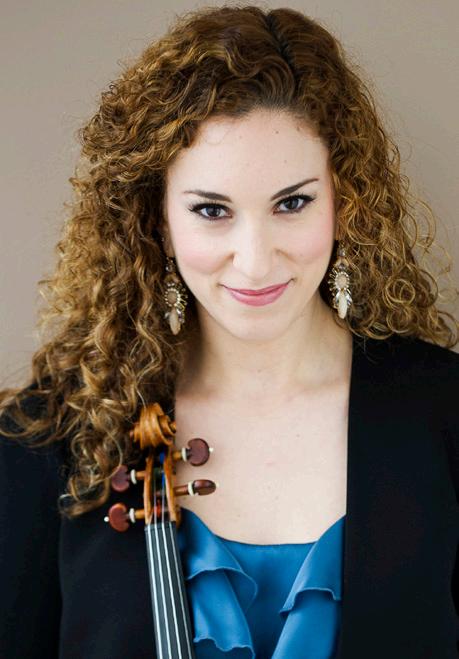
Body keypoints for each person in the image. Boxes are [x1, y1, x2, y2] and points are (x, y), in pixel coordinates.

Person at [0, 4, 458, 658]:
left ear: (344, 200)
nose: (255, 260)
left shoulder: (445, 414)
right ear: (158, 222)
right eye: (212, 211)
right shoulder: (50, 438)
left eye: (292, 203)